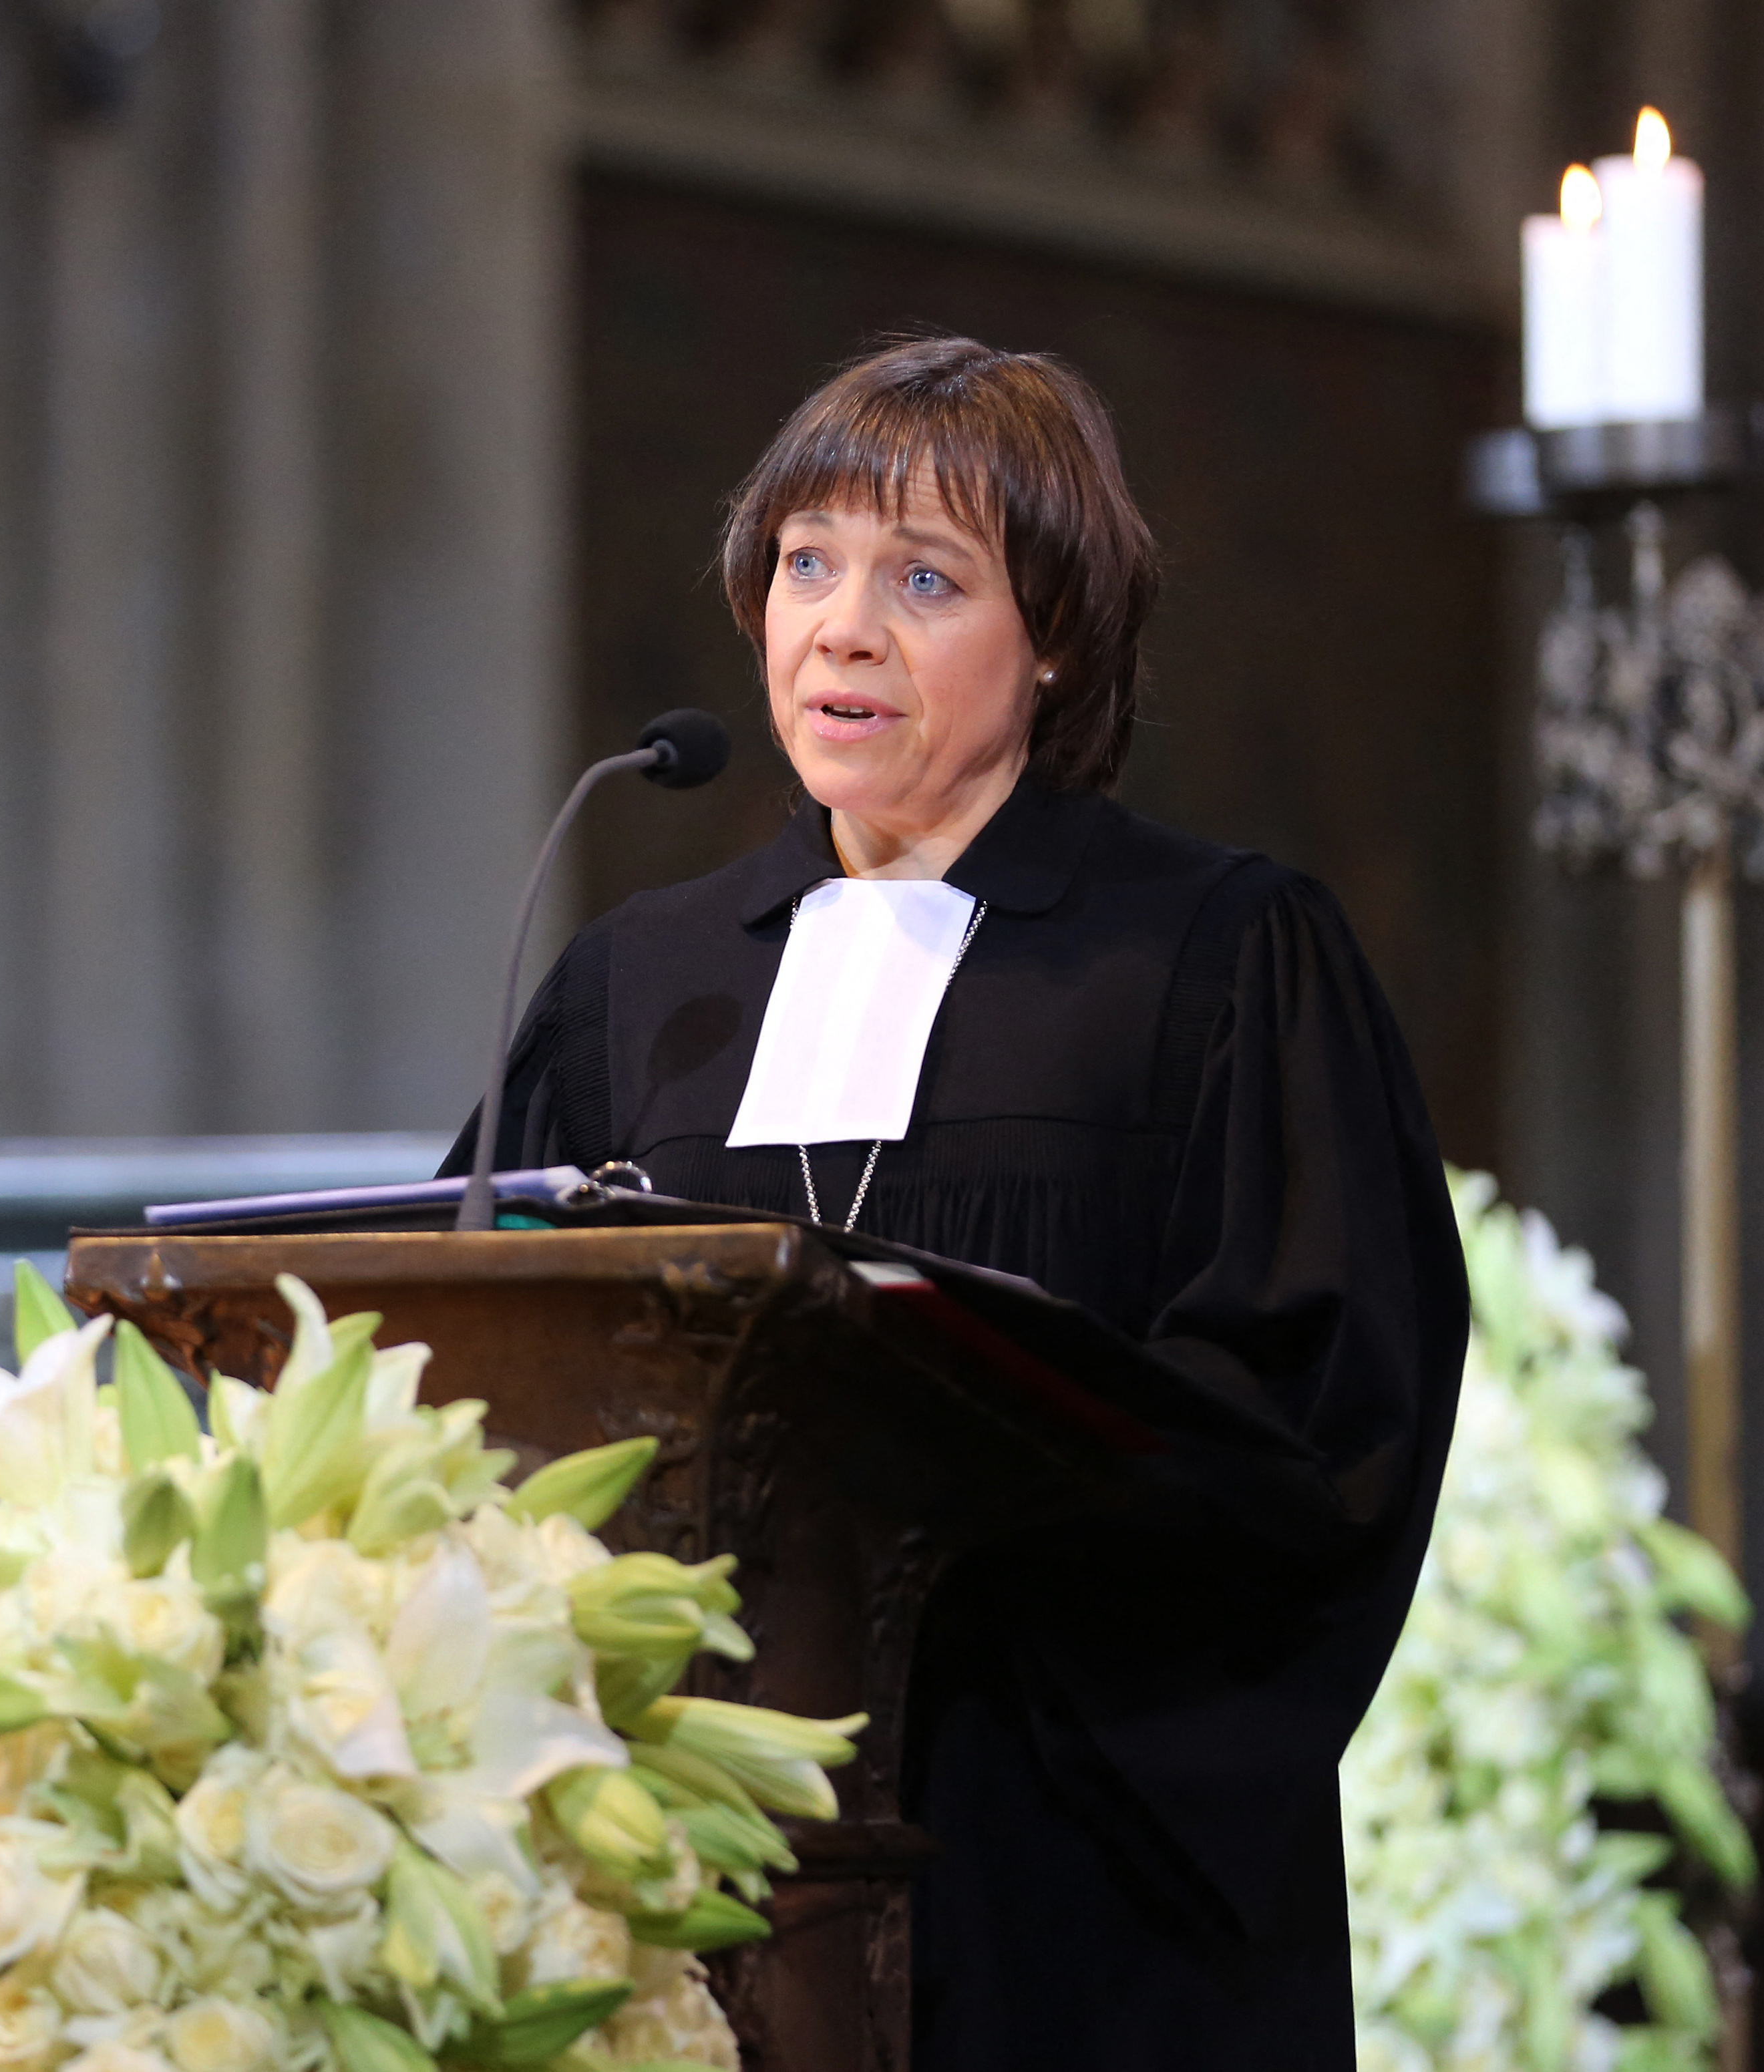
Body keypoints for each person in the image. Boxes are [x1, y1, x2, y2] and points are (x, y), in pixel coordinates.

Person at [446, 335, 1467, 2066]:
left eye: (925, 579)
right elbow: (481, 1359)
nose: (844, 629)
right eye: (808, 566)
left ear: (1054, 634)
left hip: (1064, 1871)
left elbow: (1322, 1416)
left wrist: (953, 1529)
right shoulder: (644, 982)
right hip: (681, 1858)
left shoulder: (1212, 955)